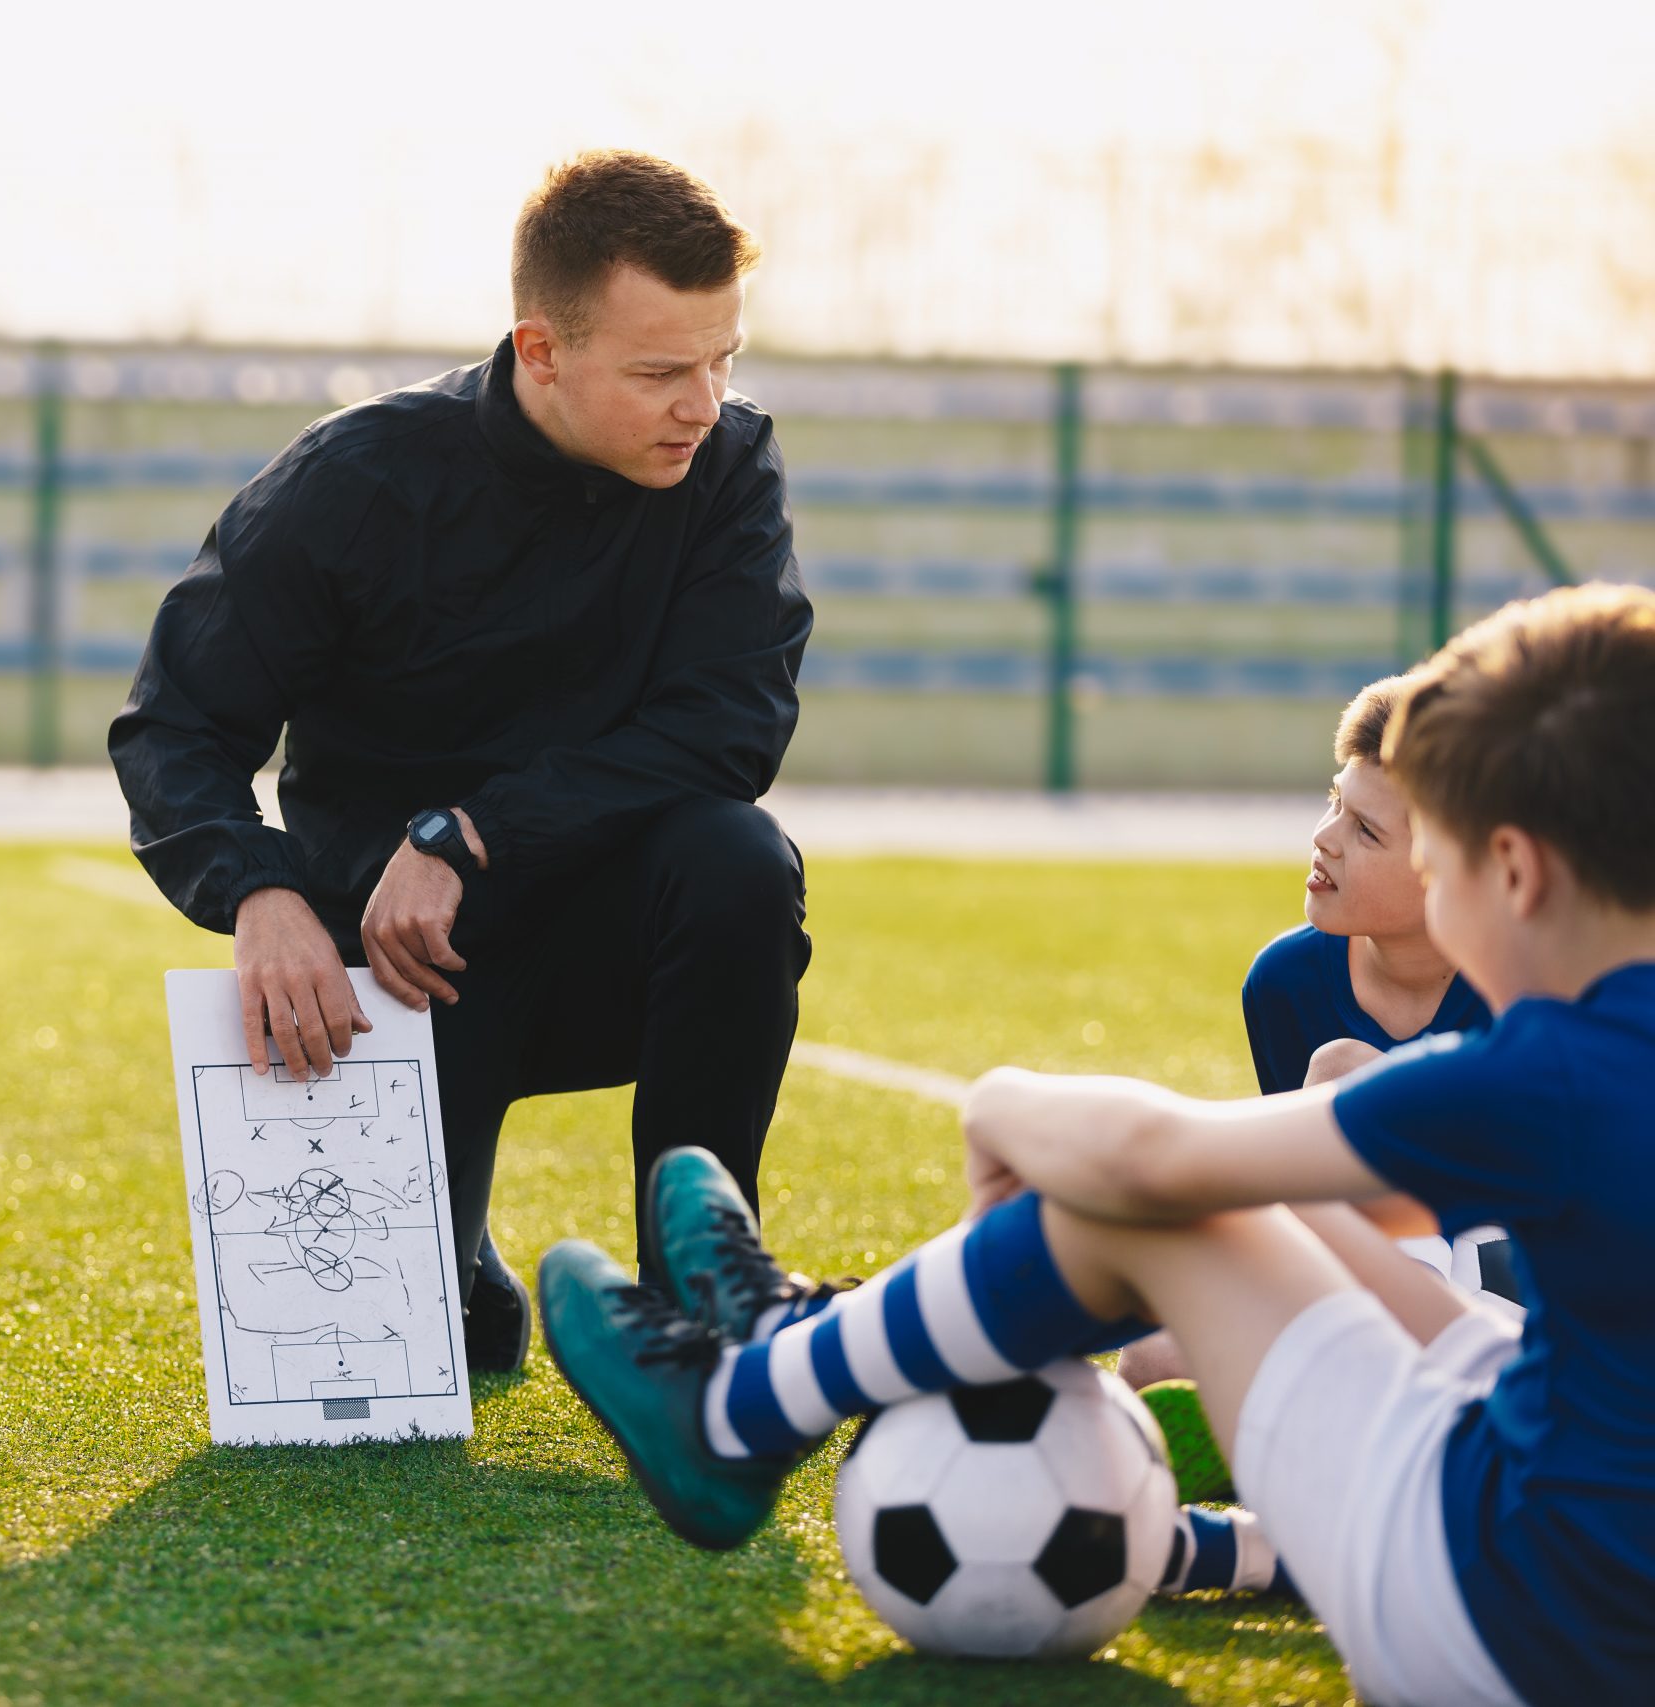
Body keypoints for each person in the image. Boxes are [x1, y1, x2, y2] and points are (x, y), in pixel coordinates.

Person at [540, 582, 1655, 1704]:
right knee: (1305, 1219)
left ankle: (745, 1407)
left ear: (1514, 870)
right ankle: (1187, 1537)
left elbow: (1145, 1163)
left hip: (1523, 1629)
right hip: (1569, 1500)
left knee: (1162, 1210)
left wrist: (1005, 1104)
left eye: (1444, 867)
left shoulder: (1564, 1061)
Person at [110, 151, 815, 1372]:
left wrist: (466, 831)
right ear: (540, 351)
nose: (700, 404)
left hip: (610, 946)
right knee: (425, 1346)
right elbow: (175, 724)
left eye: (721, 360)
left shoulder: (727, 468)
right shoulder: (349, 482)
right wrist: (258, 891)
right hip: (395, 974)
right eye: (659, 371)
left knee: (738, 860)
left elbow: (731, 723)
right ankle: (461, 1254)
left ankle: (700, 1309)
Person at [1123, 676, 1514, 1411]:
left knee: (1347, 1069)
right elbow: (1305, 1210)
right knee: (1150, 1359)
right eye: (1335, 802)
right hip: (1352, 1286)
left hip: (1498, 1310)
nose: (1324, 837)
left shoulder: (1528, 995)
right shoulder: (1285, 982)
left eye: (1366, 831)